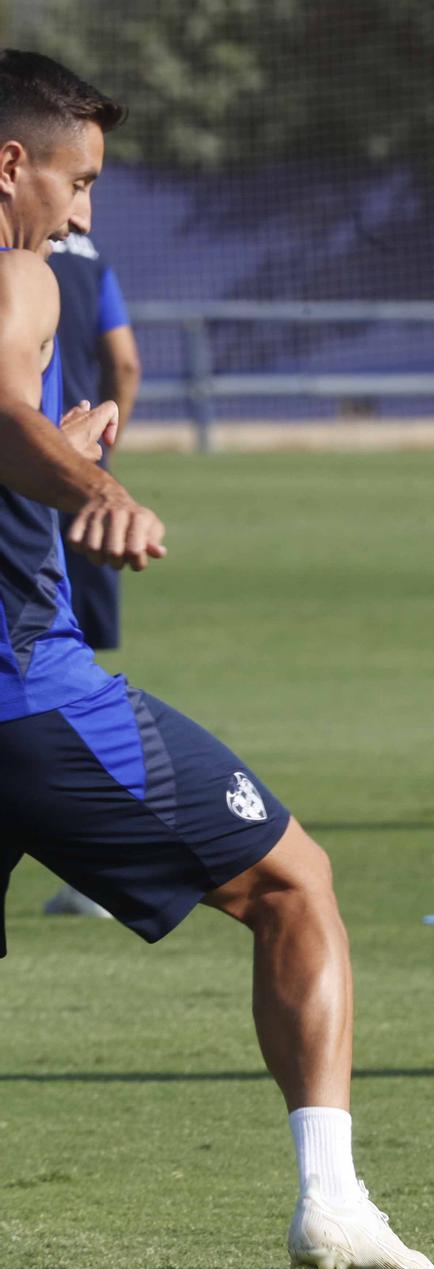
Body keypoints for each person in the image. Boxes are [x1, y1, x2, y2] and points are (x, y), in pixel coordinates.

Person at [0, 50, 434, 1269]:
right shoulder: (19, 271)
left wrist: (49, 458)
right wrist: (96, 484)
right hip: (31, 699)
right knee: (295, 882)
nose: (83, 215)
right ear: (9, 164)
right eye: (77, 182)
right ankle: (333, 1203)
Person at [41, 226, 139, 920]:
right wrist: (99, 468)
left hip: (23, 483)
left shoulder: (25, 261)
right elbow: (125, 365)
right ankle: (97, 870)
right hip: (75, 485)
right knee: (72, 669)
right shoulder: (89, 259)